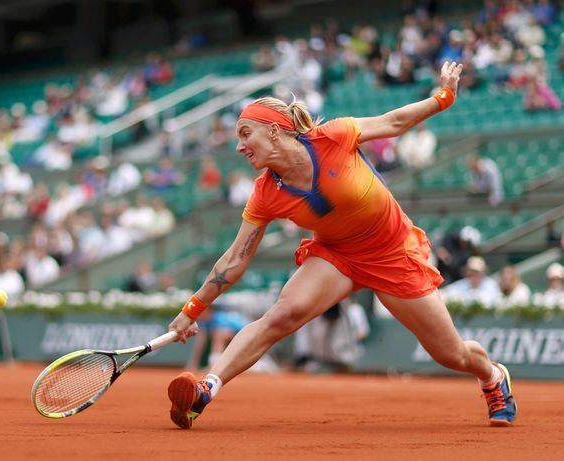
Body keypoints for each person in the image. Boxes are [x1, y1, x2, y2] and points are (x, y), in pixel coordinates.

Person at [165, 61, 517, 430]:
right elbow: (235, 259)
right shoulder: (266, 194)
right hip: (337, 255)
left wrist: (442, 97)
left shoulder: (334, 135)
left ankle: (492, 376)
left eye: (244, 134)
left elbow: (394, 122)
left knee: (451, 354)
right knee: (282, 315)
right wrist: (194, 307)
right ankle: (206, 389)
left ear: (272, 131)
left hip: (392, 253)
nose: (239, 147)